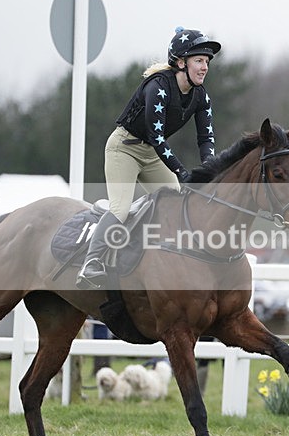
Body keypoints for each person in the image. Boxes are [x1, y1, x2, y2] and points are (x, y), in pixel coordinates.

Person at [76, 26, 221, 289]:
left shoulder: (201, 96)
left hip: (152, 154)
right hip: (124, 148)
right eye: (199, 60)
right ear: (180, 62)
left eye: (207, 62)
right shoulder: (158, 87)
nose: (205, 67)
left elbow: (205, 139)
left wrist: (209, 170)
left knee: (176, 206)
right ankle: (91, 262)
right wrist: (181, 171)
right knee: (120, 207)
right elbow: (157, 137)